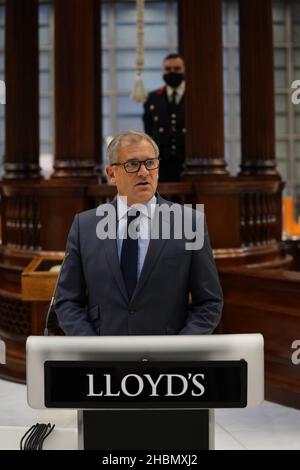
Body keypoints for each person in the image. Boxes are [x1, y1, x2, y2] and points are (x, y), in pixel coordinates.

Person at [55, 130, 223, 336]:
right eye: (132, 165)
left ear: (158, 168)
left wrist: (179, 351)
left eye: (150, 163)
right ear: (112, 174)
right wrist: (92, 349)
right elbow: (67, 301)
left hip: (167, 358)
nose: (144, 172)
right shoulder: (85, 226)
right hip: (104, 357)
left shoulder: (189, 223)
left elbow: (209, 303)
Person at [143, 53, 186, 182]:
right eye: (168, 69)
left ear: (184, 70)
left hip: (189, 163)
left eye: (177, 69)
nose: (172, 72)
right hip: (162, 164)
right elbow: (148, 131)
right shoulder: (153, 98)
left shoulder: (196, 98)